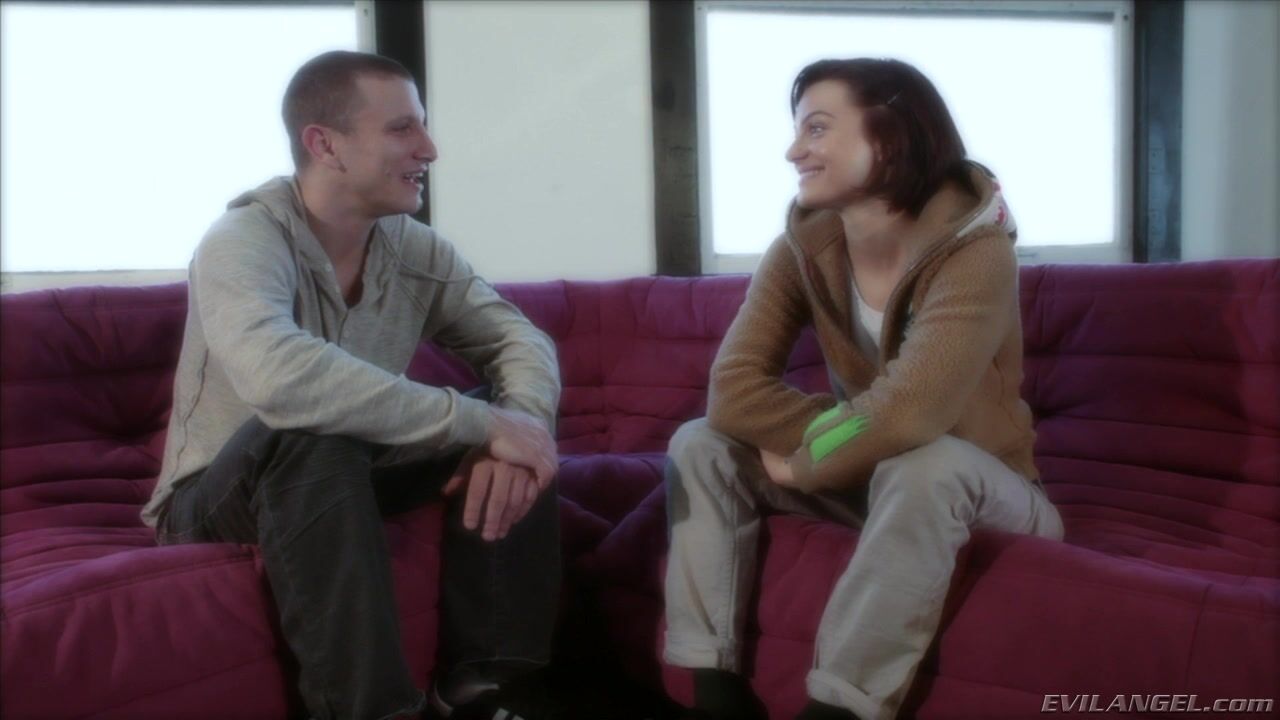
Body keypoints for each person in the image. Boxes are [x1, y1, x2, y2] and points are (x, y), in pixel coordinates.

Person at [141, 50, 566, 720]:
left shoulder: (413, 247)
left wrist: (517, 424)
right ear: (325, 144)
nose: (429, 148)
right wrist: (485, 425)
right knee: (314, 432)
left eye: (422, 125)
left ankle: (482, 688)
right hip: (211, 498)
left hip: (350, 470)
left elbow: (519, 340)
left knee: (514, 421)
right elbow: (280, 378)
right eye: (402, 128)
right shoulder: (243, 239)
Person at [662, 58, 1065, 720]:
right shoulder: (801, 248)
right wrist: (835, 441)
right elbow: (731, 391)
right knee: (700, 443)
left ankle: (840, 709)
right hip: (870, 475)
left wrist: (808, 463)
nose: (794, 151)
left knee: (927, 463)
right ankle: (713, 691)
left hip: (986, 486)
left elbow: (912, 414)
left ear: (891, 136)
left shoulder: (977, 251)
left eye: (817, 128)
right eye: (798, 130)